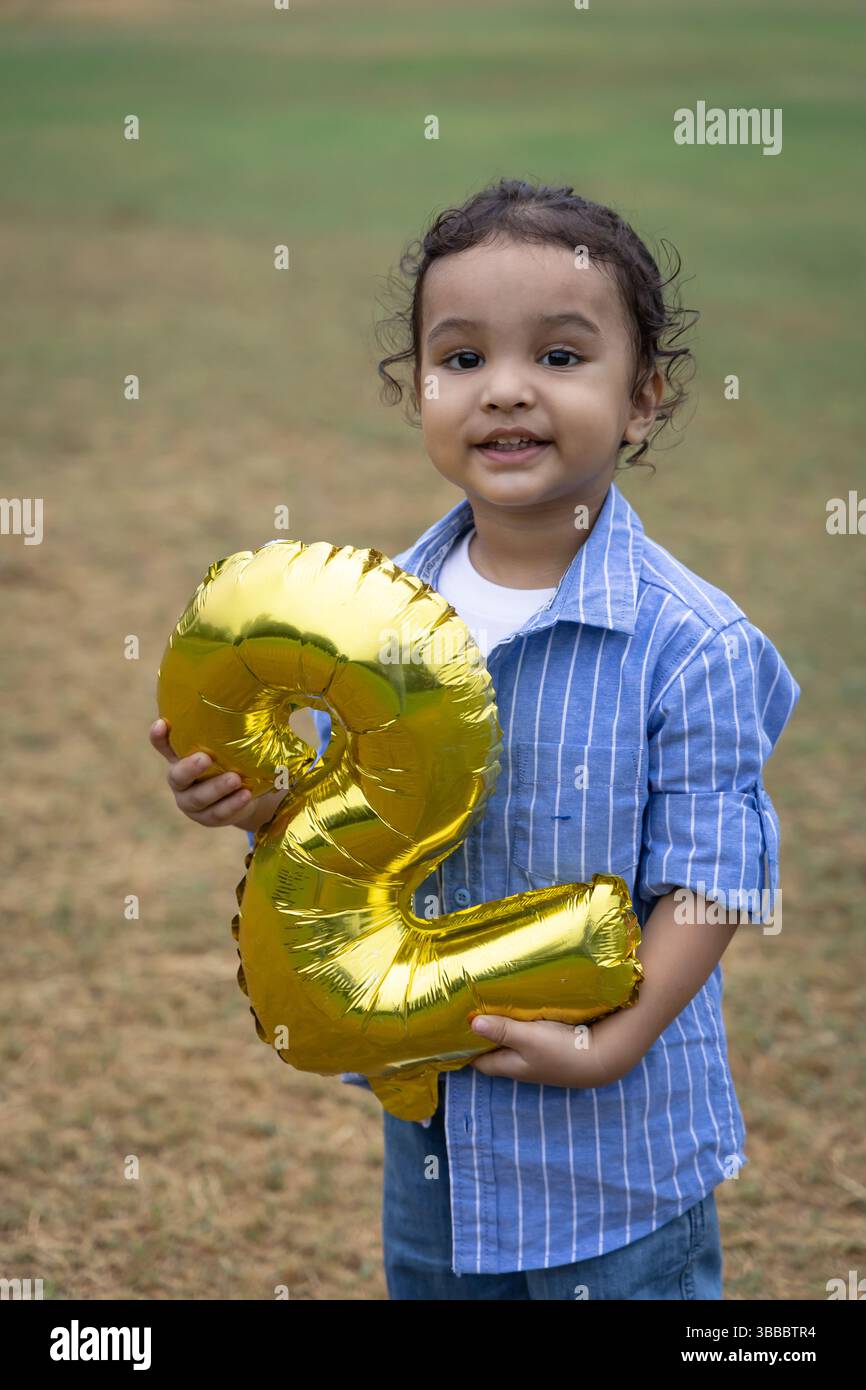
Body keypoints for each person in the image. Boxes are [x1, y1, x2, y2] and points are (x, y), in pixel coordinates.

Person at [149, 179, 800, 1300]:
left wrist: (615, 1040)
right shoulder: (370, 612)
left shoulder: (689, 640)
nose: (504, 391)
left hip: (619, 1153)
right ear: (413, 394)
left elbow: (711, 875)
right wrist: (250, 799)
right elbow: (332, 811)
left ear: (642, 396)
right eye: (460, 360)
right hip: (440, 1128)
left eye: (558, 357)